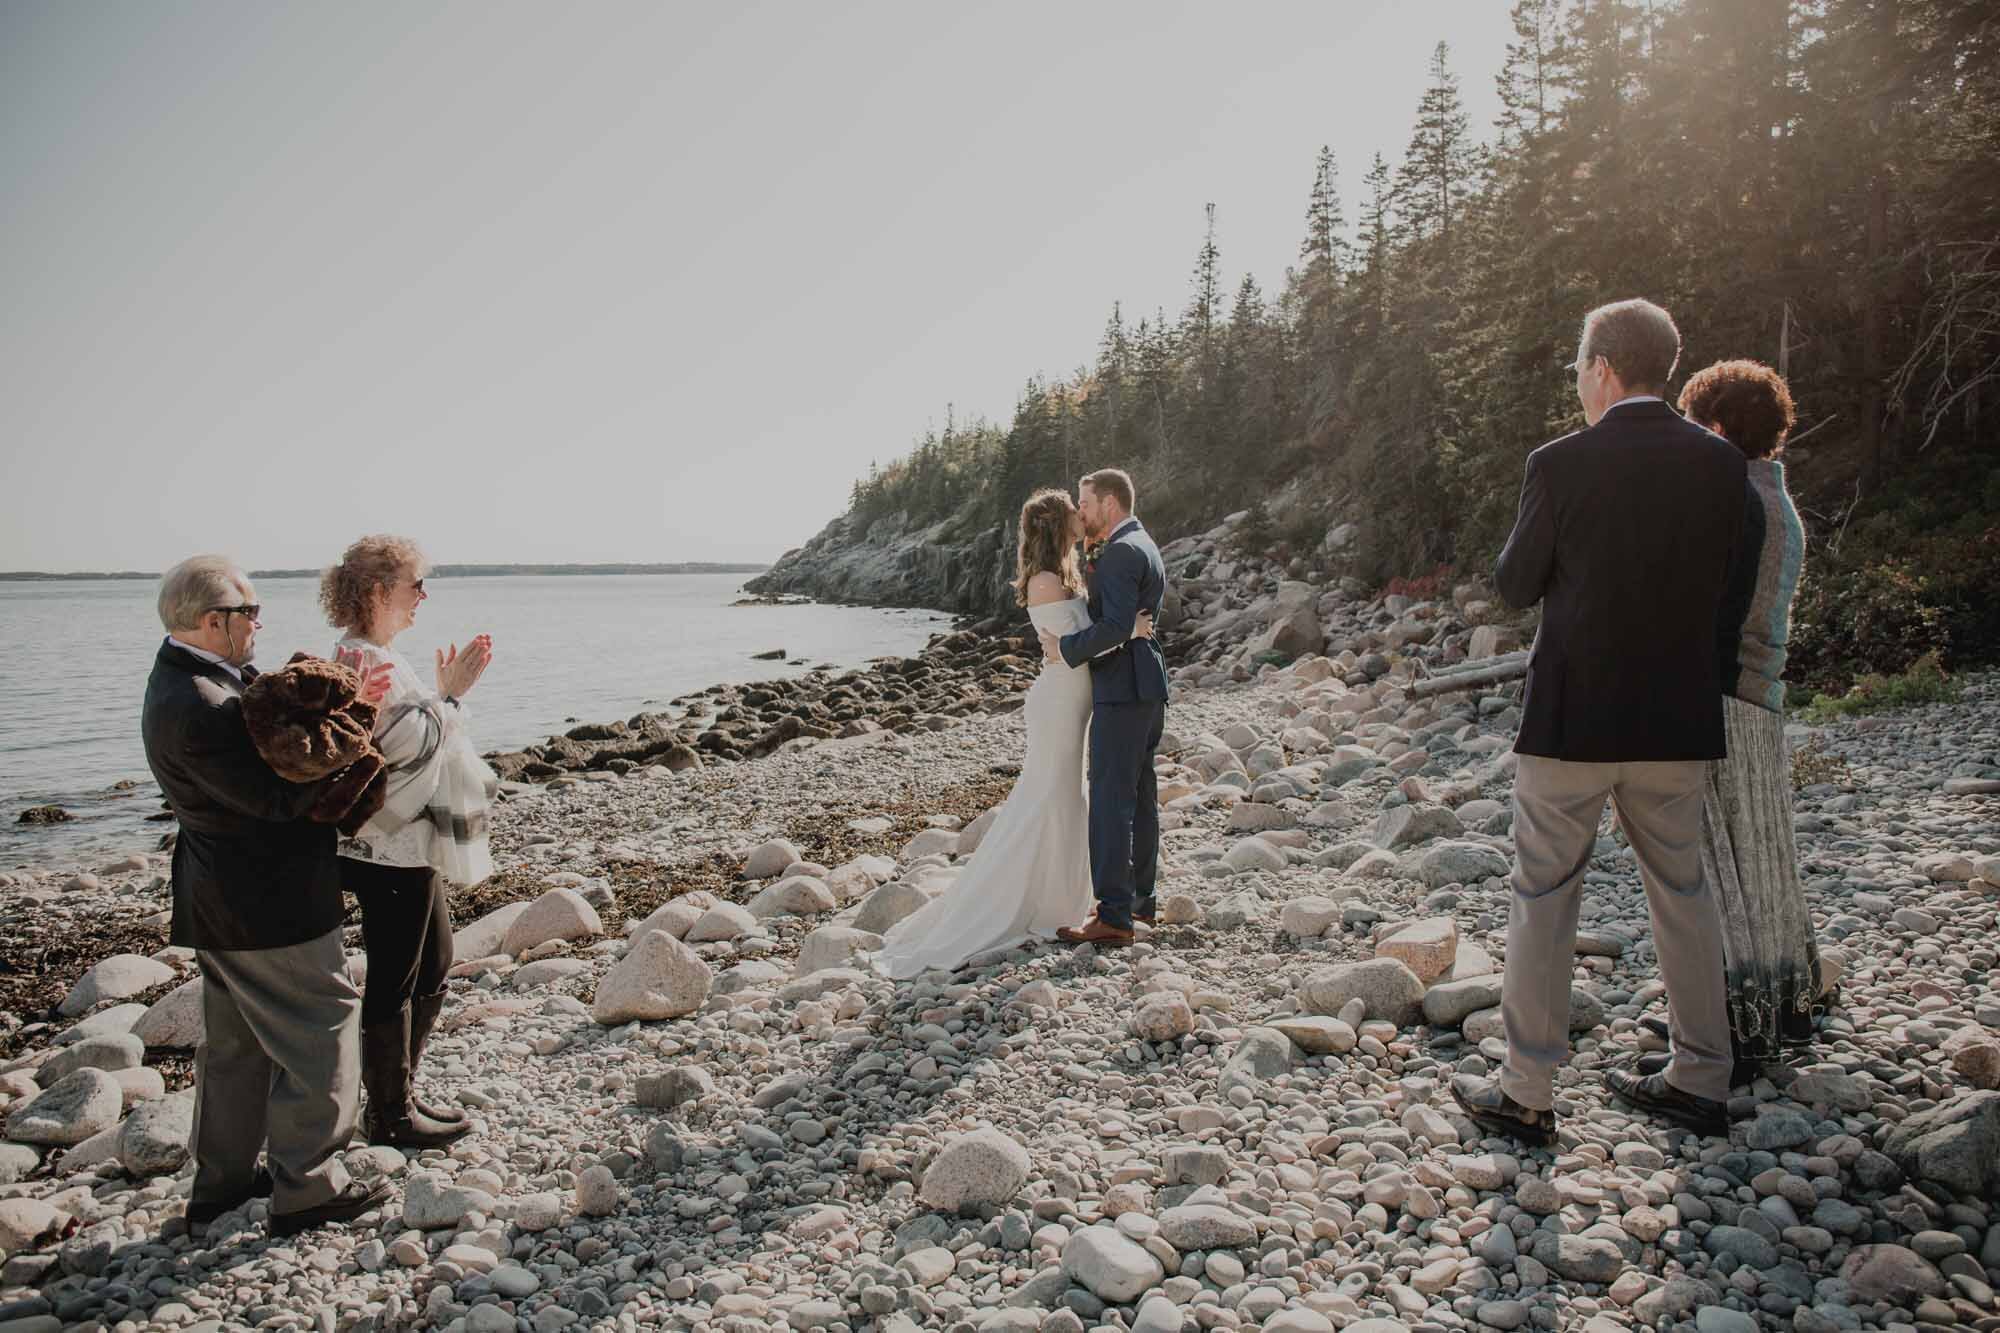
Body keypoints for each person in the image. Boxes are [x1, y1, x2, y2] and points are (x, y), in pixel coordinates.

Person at [1451, 299, 1748, 1143]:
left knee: (1545, 895)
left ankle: (1529, 1090)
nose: (1579, 383)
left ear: (1605, 369)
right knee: (1684, 894)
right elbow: (1729, 587)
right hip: (1678, 719)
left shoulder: (1560, 463)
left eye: (1580, 368)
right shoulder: (1723, 468)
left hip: (1574, 719)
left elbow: (1514, 584)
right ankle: (1701, 1076)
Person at [141, 555, 393, 1236]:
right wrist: (356, 722)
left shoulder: (197, 681)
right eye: (248, 612)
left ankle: (220, 1186)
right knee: (323, 1026)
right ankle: (309, 1183)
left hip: (223, 897)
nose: (259, 622)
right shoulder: (202, 705)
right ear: (210, 620)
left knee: (237, 1046)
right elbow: (279, 799)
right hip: (266, 906)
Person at [873, 489, 1152, 977]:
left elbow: (1075, 639)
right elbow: (1071, 646)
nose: (1079, 514)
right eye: (1072, 510)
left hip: (1075, 697)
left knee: (1067, 796)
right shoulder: (1045, 580)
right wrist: (1125, 630)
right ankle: (1018, 904)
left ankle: (1065, 900)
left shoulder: (1066, 571)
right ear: (1054, 524)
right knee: (1048, 795)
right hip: (1058, 702)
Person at [1648, 359, 1820, 1076]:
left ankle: (1731, 1024)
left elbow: (1706, 612)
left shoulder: (1733, 504)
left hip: (1721, 695)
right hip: (1762, 697)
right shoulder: (1780, 502)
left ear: (1716, 428)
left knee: (1716, 865)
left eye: (1693, 423)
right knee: (1763, 857)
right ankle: (1780, 1008)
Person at [321, 536, 496, 1149]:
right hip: (387, 846)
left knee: (434, 963)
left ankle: (400, 1097)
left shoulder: (370, 656)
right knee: (399, 976)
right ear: (377, 592)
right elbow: (410, 750)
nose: (423, 596)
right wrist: (450, 695)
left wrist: (442, 697)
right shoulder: (366, 660)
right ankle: (390, 1114)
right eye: (414, 585)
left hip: (396, 845)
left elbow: (415, 734)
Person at [1038, 468, 1170, 948]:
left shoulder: (1117, 553)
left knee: (1111, 801)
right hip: (1147, 686)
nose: (1081, 512)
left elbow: (1116, 625)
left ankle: (1113, 915)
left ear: (1110, 504)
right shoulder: (1145, 544)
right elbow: (1134, 618)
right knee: (1139, 798)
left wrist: (1065, 649)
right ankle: (1138, 904)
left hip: (1122, 689)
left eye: (1086, 503)